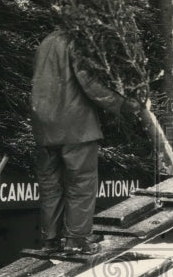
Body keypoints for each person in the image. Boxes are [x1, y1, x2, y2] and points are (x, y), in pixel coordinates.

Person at [31, 28, 143, 255]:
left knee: (51, 186)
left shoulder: (46, 41)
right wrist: (124, 105)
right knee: (81, 184)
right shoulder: (76, 42)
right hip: (76, 126)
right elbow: (91, 85)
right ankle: (77, 240)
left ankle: (49, 241)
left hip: (44, 125)